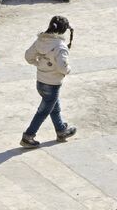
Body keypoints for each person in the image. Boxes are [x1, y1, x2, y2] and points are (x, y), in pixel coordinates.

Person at [20, 16, 77, 148]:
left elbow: (28, 56)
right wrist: (67, 70)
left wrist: (39, 64)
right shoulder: (60, 47)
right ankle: (28, 136)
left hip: (40, 82)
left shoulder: (40, 40)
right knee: (43, 112)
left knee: (54, 108)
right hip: (53, 84)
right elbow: (62, 67)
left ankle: (61, 130)